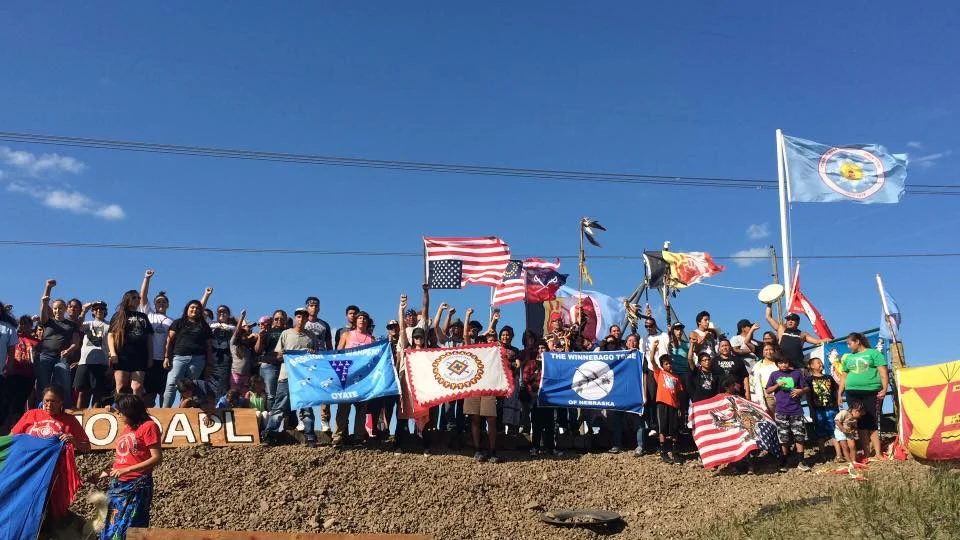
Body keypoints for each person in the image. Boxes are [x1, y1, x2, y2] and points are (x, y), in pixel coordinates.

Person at [11, 385, 90, 519]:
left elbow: (87, 447)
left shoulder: (70, 420)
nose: (49, 404)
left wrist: (73, 441)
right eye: (46, 400)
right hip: (28, 469)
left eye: (53, 401)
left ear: (61, 402)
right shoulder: (31, 414)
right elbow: (12, 438)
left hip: (54, 473)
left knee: (48, 507)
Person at [90, 394, 162, 539]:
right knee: (111, 523)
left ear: (130, 411)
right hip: (117, 485)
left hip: (136, 483)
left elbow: (157, 458)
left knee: (129, 524)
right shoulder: (127, 428)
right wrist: (102, 474)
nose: (118, 415)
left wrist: (128, 470)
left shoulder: (149, 426)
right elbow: (123, 460)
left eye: (120, 412)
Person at [262, 307, 319, 447]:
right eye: (298, 316)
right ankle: (270, 433)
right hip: (286, 375)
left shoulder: (311, 337)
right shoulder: (286, 334)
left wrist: (312, 352)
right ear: (295, 318)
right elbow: (277, 355)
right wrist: (282, 354)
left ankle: (310, 435)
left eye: (304, 317)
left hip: (305, 378)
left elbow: (316, 357)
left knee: (306, 406)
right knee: (280, 405)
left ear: (307, 319)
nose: (301, 319)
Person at [836, 332, 889, 460]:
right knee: (859, 422)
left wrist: (885, 387)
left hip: (870, 391)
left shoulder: (874, 353)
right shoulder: (848, 358)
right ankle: (866, 453)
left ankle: (878, 453)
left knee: (871, 421)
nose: (848, 346)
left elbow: (883, 371)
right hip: (852, 393)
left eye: (849, 343)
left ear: (858, 341)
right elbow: (844, 376)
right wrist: (839, 393)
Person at [334, 310, 376, 445]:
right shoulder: (346, 335)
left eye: (364, 318)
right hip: (347, 377)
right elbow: (338, 354)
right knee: (343, 409)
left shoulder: (371, 339)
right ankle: (339, 435)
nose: (362, 320)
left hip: (363, 379)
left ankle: (359, 436)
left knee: (361, 409)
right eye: (360, 318)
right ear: (356, 320)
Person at [463, 307, 499, 463]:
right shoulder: (470, 349)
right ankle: (477, 450)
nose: (478, 342)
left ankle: (493, 451)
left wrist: (495, 321)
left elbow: (491, 331)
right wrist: (467, 316)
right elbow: (465, 335)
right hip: (473, 387)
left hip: (488, 387)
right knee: (475, 419)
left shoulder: (489, 349)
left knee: (491, 419)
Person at [162, 300, 213, 407]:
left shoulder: (204, 326)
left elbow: (209, 346)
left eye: (198, 308)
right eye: (192, 307)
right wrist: (167, 357)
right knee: (171, 384)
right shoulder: (178, 322)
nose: (195, 310)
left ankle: (184, 410)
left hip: (198, 359)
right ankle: (165, 410)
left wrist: (209, 363)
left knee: (190, 387)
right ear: (187, 309)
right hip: (179, 357)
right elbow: (169, 340)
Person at [766, 355, 812, 472]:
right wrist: (778, 385)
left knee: (799, 436)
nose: (783, 365)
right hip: (781, 410)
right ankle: (784, 460)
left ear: (789, 362)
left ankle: (801, 461)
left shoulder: (796, 373)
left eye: (785, 362)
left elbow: (807, 387)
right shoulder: (774, 375)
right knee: (783, 437)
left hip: (796, 409)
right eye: (780, 363)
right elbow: (768, 390)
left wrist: (801, 390)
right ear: (777, 364)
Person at [37, 279, 80, 397]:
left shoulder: (71, 324)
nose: (58, 310)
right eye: (55, 308)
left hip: (61, 357)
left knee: (64, 383)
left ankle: (66, 408)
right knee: (43, 384)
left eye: (60, 308)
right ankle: (42, 410)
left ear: (65, 309)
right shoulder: (48, 321)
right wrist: (48, 288)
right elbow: (43, 308)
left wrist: (68, 351)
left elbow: (76, 343)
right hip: (45, 356)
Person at [108, 290, 154, 396]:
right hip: (122, 355)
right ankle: (121, 409)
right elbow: (111, 335)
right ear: (127, 299)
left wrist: (150, 357)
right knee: (121, 387)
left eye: (138, 298)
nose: (137, 300)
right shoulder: (118, 315)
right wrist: (113, 353)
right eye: (134, 298)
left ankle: (135, 410)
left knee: (137, 387)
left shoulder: (143, 316)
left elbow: (149, 338)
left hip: (140, 355)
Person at [139, 269, 174, 408]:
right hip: (150, 360)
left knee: (164, 392)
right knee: (148, 393)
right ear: (154, 304)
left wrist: (168, 357)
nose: (161, 304)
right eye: (158, 302)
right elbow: (143, 296)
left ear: (168, 305)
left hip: (165, 361)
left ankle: (164, 420)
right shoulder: (149, 315)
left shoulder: (172, 321)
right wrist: (146, 278)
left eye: (164, 302)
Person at [523, 340, 562, 457]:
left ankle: (551, 448)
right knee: (536, 424)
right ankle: (535, 447)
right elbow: (525, 380)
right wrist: (531, 393)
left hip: (549, 397)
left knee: (551, 424)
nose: (541, 350)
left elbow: (557, 377)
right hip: (535, 397)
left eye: (543, 348)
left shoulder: (552, 363)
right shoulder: (530, 363)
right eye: (539, 348)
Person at [1, 316, 38, 432]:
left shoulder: (36, 341)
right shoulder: (13, 335)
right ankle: (3, 429)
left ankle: (15, 429)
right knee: (6, 402)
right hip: (11, 373)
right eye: (21, 323)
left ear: (31, 326)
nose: (23, 326)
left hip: (27, 375)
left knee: (19, 404)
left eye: (26, 324)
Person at [304, 297, 333, 433]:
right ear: (306, 307)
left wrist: (331, 357)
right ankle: (303, 417)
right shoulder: (302, 322)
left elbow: (329, 344)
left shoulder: (324, 324)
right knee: (305, 387)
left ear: (319, 308)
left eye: (316, 306)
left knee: (325, 388)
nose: (314, 308)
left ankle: (324, 419)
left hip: (322, 359)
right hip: (305, 360)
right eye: (311, 305)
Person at [75, 300, 111, 409]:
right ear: (93, 312)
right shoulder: (87, 324)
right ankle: (79, 416)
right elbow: (77, 325)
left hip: (101, 363)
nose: (99, 310)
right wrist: (84, 311)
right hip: (85, 362)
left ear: (105, 311)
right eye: (96, 309)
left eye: (101, 308)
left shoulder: (109, 325)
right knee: (82, 392)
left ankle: (94, 414)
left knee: (98, 393)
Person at [650, 353, 683, 464]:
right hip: (662, 404)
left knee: (674, 429)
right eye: (666, 364)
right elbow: (652, 360)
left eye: (670, 363)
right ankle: (663, 451)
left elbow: (678, 394)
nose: (669, 365)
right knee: (662, 428)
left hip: (674, 405)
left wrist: (679, 407)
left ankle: (675, 451)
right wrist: (654, 348)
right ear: (662, 365)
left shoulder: (676, 378)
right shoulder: (659, 373)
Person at [255, 310, 287, 410]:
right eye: (276, 319)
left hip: (284, 367)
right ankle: (269, 421)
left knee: (283, 396)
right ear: (273, 320)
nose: (279, 321)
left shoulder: (289, 332)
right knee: (270, 395)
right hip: (269, 366)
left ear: (285, 320)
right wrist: (260, 337)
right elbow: (257, 350)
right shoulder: (267, 331)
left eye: (281, 319)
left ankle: (277, 422)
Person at [208, 304, 236, 398]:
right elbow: (201, 311)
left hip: (226, 357)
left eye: (225, 312)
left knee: (224, 383)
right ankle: (211, 404)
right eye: (220, 311)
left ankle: (220, 406)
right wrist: (207, 295)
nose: (222, 313)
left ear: (228, 314)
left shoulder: (232, 327)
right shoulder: (212, 324)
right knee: (211, 383)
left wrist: (241, 317)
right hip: (212, 357)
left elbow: (241, 327)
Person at [229, 310, 256, 392]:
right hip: (236, 375)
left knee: (244, 397)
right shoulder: (234, 344)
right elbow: (237, 331)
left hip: (246, 376)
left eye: (246, 335)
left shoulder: (248, 346)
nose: (245, 337)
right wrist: (242, 317)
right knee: (234, 395)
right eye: (243, 335)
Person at [751, 344, 781, 416]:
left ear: (774, 351)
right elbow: (753, 382)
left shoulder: (780, 363)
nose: (769, 352)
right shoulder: (758, 365)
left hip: (781, 392)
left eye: (770, 349)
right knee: (771, 417)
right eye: (766, 350)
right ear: (763, 352)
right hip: (767, 394)